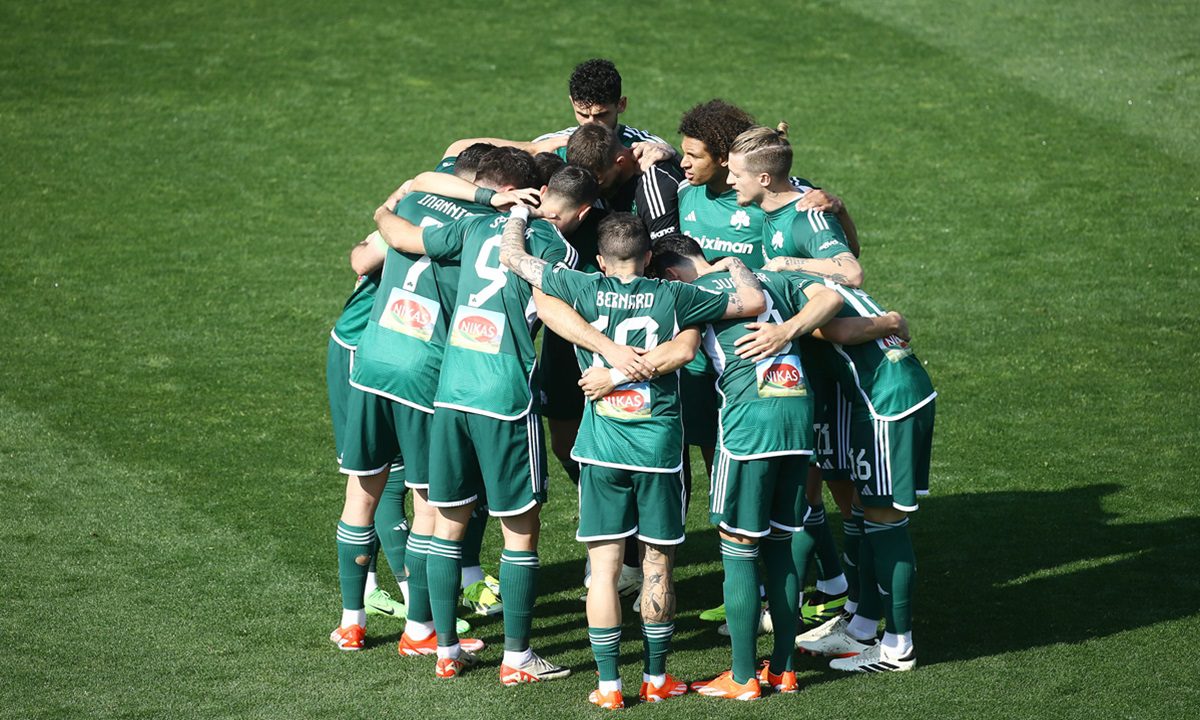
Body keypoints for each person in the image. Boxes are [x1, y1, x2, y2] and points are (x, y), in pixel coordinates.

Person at [376, 160, 650, 684]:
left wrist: (384, 208)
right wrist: (612, 352)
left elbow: (403, 236)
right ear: (584, 213)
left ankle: (446, 648)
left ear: (540, 191)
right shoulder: (557, 250)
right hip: (504, 394)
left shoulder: (477, 224)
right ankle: (518, 658)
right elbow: (552, 310)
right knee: (520, 530)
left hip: (451, 388)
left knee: (447, 522)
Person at [500, 213, 765, 709]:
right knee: (657, 566)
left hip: (600, 449)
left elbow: (513, 258)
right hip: (658, 451)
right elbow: (752, 300)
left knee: (604, 570)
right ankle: (656, 677)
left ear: (600, 260)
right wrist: (731, 263)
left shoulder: (581, 285)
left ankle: (608, 686)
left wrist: (517, 216)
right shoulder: (676, 295)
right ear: (647, 258)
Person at [783, 282, 935, 673]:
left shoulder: (793, 292)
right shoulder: (812, 276)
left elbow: (840, 330)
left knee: (886, 523)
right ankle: (863, 628)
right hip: (895, 392)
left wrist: (891, 321)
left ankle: (898, 647)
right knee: (868, 512)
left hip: (885, 403)